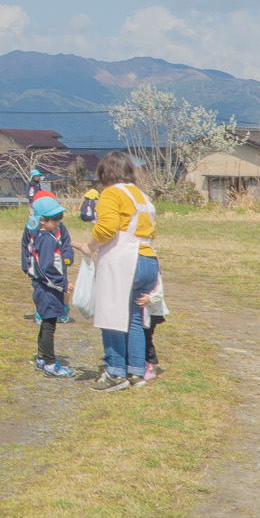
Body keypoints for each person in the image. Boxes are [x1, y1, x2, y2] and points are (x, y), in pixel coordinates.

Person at [86, 153, 159, 392]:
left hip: (124, 261)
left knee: (111, 315)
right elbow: (151, 231)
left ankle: (115, 372)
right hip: (148, 259)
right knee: (136, 319)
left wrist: (90, 246)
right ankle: (136, 371)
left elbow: (107, 228)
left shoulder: (111, 193)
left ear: (104, 173)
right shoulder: (142, 196)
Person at [22, 195, 76, 377]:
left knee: (46, 323)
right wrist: (63, 284)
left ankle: (41, 358)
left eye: (60, 219)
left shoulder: (48, 235)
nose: (58, 223)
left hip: (45, 288)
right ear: (42, 221)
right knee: (49, 326)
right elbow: (45, 268)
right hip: (48, 289)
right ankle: (51, 364)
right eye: (54, 220)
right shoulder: (46, 239)